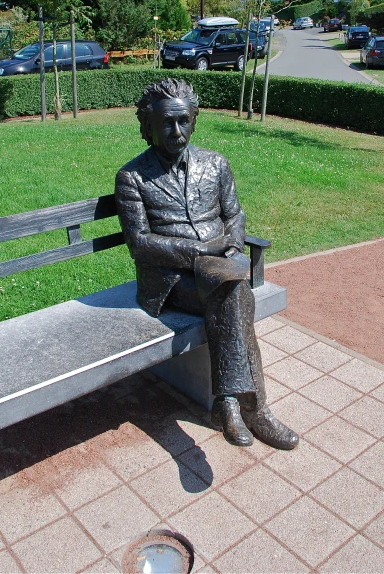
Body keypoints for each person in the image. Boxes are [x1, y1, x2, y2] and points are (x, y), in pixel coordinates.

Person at [115, 79, 298, 450]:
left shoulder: (216, 164)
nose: (176, 132)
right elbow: (141, 244)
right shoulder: (132, 177)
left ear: (194, 120)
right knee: (235, 295)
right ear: (147, 126)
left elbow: (235, 215)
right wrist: (202, 251)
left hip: (220, 271)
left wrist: (230, 241)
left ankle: (228, 404)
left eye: (183, 121)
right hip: (169, 280)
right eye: (166, 123)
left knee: (230, 292)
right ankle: (254, 408)